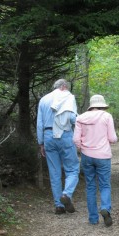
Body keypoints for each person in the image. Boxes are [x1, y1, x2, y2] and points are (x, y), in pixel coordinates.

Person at [73, 94, 117, 226]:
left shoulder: (80, 118)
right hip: (103, 156)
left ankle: (93, 218)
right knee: (104, 185)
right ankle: (105, 208)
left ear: (91, 106)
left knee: (90, 186)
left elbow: (75, 139)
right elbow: (113, 138)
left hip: (87, 156)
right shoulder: (107, 117)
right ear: (102, 105)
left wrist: (82, 148)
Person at [37, 79, 79, 214]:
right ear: (64, 86)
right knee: (72, 169)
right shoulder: (68, 97)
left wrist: (41, 143)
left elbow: (39, 124)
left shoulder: (44, 100)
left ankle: (59, 206)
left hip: (48, 136)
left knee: (54, 173)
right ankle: (66, 194)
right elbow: (73, 119)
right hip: (65, 135)